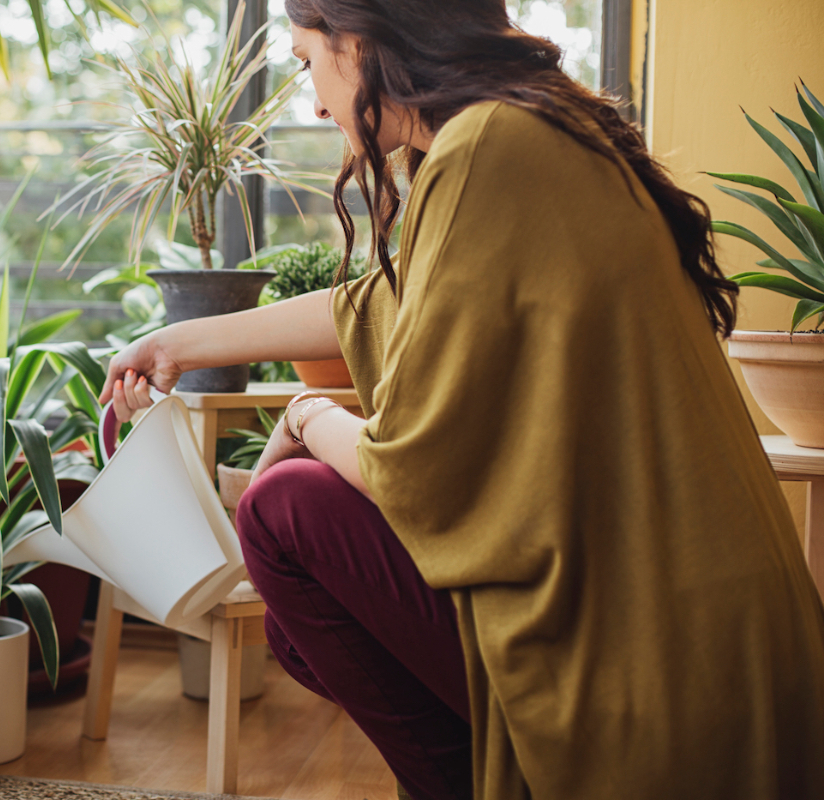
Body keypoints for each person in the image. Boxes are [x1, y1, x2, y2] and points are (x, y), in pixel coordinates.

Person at [100, 2, 824, 798]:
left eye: (307, 63)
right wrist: (173, 344)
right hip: (717, 637)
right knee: (295, 621)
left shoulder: (487, 147)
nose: (312, 103)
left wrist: (306, 419)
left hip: (651, 652)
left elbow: (414, 474)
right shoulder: (529, 131)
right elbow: (381, 302)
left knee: (284, 509)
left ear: (361, 37)